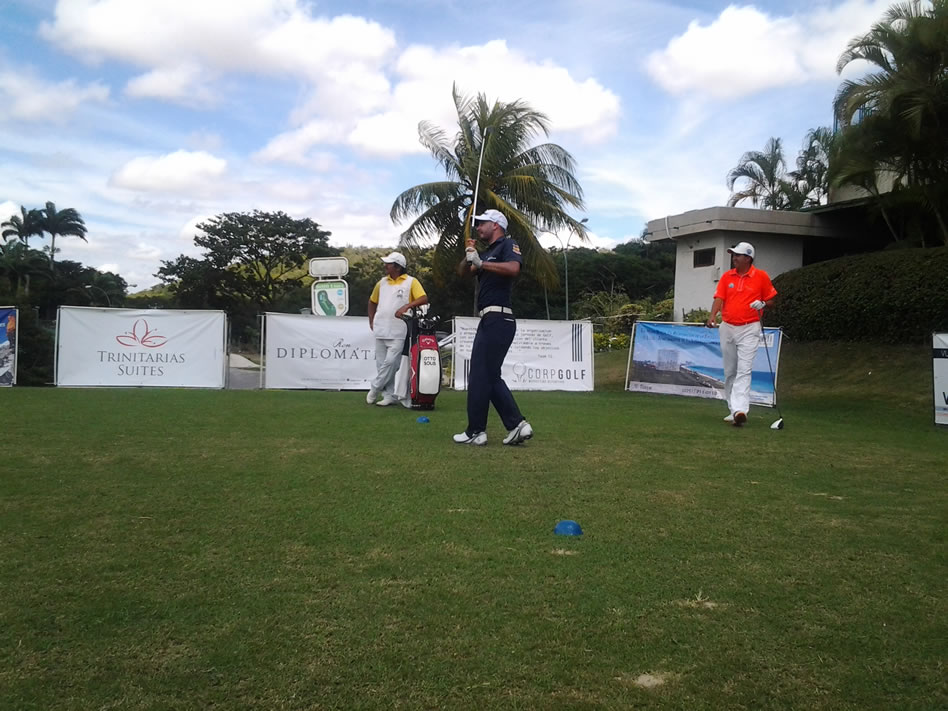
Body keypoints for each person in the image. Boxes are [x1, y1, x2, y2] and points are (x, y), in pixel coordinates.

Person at [453, 209, 533, 446]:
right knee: (488, 375)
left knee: (480, 375)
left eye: (482, 223)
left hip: (499, 318)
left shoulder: (508, 244)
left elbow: (514, 268)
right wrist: (469, 254)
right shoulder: (486, 253)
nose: (478, 227)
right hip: (490, 319)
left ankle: (477, 431)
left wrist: (482, 263)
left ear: (496, 225)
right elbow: (463, 273)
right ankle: (516, 425)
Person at [705, 241, 777, 426]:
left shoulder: (761, 276)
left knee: (744, 370)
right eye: (734, 255)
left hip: (750, 327)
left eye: (737, 255)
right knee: (730, 371)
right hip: (728, 327)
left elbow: (771, 300)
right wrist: (712, 316)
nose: (734, 258)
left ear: (748, 258)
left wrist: (763, 303)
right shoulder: (727, 276)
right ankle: (733, 409)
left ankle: (740, 410)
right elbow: (719, 298)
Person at [367, 251, 428, 407]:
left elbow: (423, 298)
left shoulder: (411, 281)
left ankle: (375, 387)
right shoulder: (381, 282)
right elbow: (372, 301)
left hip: (399, 330)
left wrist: (407, 306)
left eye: (389, 264)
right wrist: (371, 320)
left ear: (398, 267)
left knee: (391, 363)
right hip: (381, 328)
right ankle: (388, 396)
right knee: (381, 364)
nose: (385, 266)